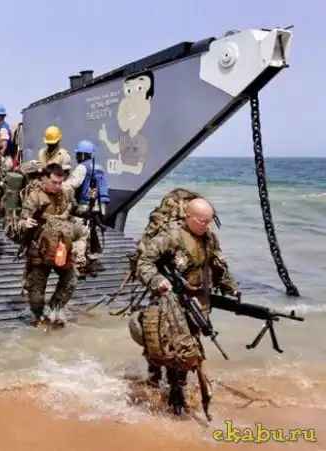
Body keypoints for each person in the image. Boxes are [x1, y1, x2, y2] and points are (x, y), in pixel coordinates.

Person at [133, 196, 240, 413]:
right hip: (170, 298)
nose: (206, 225)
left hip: (198, 301)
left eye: (209, 221)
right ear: (188, 217)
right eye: (202, 221)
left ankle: (178, 386)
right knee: (168, 344)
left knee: (189, 345)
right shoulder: (171, 237)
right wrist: (157, 280)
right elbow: (144, 262)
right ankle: (165, 384)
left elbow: (219, 265)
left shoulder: (209, 238)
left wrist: (231, 288)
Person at [19, 163, 78, 327]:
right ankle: (39, 316)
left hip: (61, 247)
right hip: (40, 249)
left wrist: (90, 207)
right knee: (36, 293)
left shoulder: (65, 193)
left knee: (71, 281)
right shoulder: (35, 196)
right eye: (54, 182)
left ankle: (53, 310)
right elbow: (22, 217)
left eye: (60, 182)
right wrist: (25, 222)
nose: (57, 186)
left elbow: (75, 209)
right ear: (45, 178)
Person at [62, 140, 110, 276]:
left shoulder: (82, 168)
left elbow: (70, 185)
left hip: (85, 205)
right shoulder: (99, 167)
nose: (76, 157)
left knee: (79, 233)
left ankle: (79, 264)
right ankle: (92, 261)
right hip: (99, 206)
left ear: (83, 154)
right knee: (91, 231)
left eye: (78, 154)